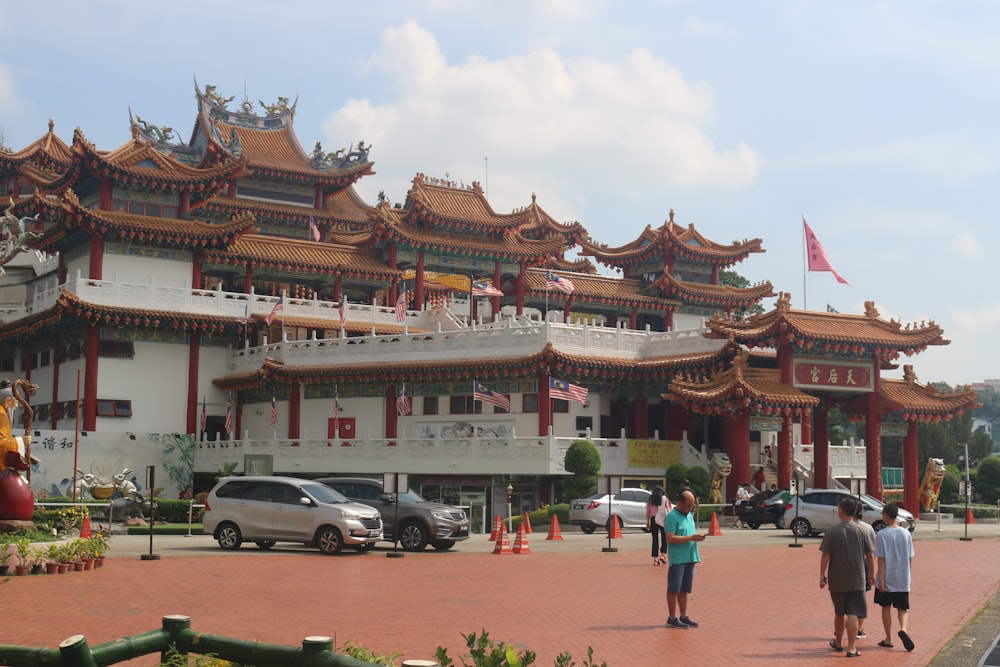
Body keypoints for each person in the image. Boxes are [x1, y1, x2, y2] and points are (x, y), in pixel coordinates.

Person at [820, 496, 875, 657]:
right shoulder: (862, 531)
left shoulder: (832, 531)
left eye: (839, 508)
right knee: (853, 612)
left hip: (837, 578)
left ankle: (838, 642)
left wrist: (822, 575)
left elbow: (825, 555)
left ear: (842, 511)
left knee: (839, 613)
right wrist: (872, 573)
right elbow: (869, 555)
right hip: (857, 577)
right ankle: (851, 648)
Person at [874, 503, 915, 651]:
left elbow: (881, 558)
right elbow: (910, 557)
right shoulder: (906, 534)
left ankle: (888, 638)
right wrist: (908, 574)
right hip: (902, 577)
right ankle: (903, 629)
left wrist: (882, 580)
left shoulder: (881, 534)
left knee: (885, 607)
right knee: (902, 607)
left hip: (887, 577)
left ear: (885, 515)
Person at [664, 490, 706, 629]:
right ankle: (671, 618)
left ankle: (683, 615)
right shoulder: (671, 517)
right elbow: (670, 538)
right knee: (673, 589)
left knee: (684, 590)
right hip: (678, 559)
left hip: (690, 557)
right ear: (680, 503)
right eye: (688, 505)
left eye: (692, 506)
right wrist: (690, 538)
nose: (690, 508)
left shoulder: (689, 516)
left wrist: (696, 537)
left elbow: (690, 533)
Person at [853, 501, 877, 640]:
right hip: (863, 562)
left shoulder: (841, 528)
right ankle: (859, 628)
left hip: (846, 564)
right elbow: (871, 550)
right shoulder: (868, 528)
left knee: (846, 598)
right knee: (861, 598)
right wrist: (872, 572)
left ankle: (844, 625)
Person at [0, 380, 31, 473]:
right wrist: (20, 441)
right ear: (7, 400)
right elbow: (1, 444)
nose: (16, 406)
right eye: (15, 402)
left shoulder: (4, 412)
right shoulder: (1, 414)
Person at [646, 485, 670, 565]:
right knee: (664, 537)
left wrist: (648, 522)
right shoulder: (664, 498)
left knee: (655, 539)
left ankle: (655, 559)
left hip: (653, 519)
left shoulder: (651, 499)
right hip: (663, 519)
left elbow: (648, 510)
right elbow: (669, 509)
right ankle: (663, 555)